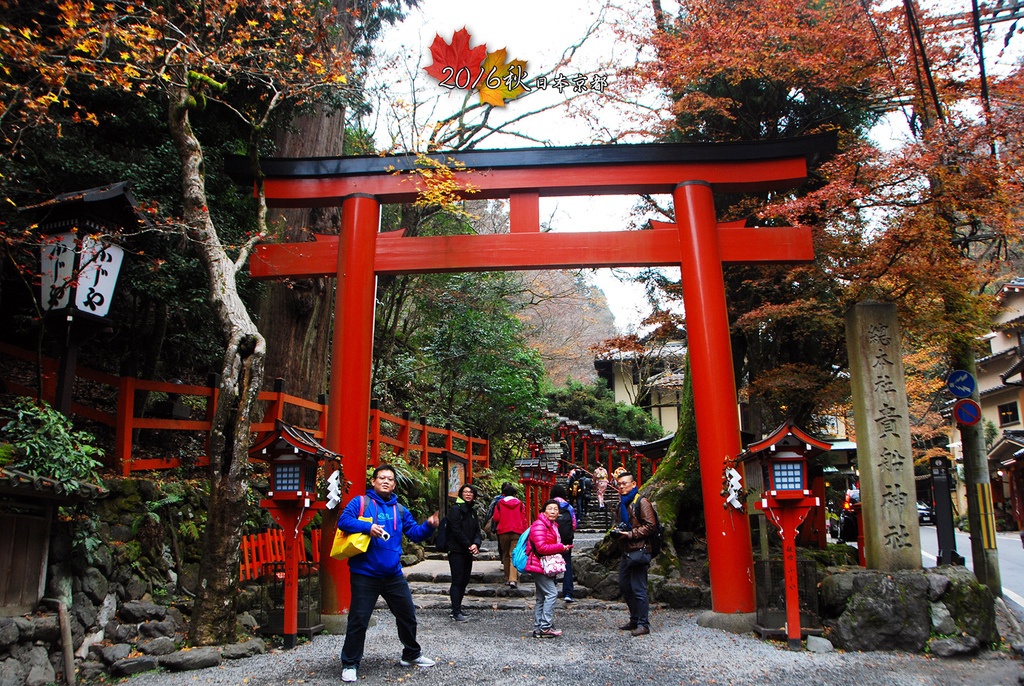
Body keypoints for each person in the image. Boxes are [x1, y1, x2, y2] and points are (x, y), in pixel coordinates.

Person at [337, 465, 439, 682]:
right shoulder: (361, 503)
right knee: (359, 620)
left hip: (393, 574)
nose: (386, 481)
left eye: (390, 479)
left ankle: (411, 654)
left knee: (407, 615)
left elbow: (414, 533)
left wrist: (429, 526)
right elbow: (343, 521)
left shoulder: (400, 510)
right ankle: (350, 663)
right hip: (365, 573)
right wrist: (367, 527)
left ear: (394, 484)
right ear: (373, 481)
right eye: (381, 477)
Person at [611, 471, 656, 637]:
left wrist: (631, 534)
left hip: (639, 549)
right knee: (624, 586)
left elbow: (651, 526)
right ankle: (635, 618)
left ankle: (643, 623)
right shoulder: (621, 504)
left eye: (625, 483)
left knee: (638, 588)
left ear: (634, 484)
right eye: (619, 484)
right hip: (626, 551)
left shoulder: (641, 502)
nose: (621, 487)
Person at [526, 499, 572, 638]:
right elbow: (541, 547)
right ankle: (545, 627)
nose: (553, 511)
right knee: (551, 594)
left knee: (541, 597)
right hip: (539, 564)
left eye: (556, 509)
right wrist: (560, 548)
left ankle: (539, 627)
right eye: (550, 508)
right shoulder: (540, 525)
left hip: (543, 564)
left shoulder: (552, 525)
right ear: (544, 511)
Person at [446, 483, 481, 621]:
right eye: (465, 492)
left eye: (471, 492)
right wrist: (469, 544)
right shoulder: (455, 509)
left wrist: (476, 544)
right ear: (461, 494)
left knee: (465, 579)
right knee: (457, 579)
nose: (468, 494)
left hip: (468, 550)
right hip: (456, 549)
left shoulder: (472, 511)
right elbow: (456, 530)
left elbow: (477, 530)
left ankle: (458, 607)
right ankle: (455, 611)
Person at [492, 482, 528, 588]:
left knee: (505, 555)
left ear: (503, 493)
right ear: (514, 494)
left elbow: (496, 518)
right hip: (517, 531)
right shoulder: (520, 504)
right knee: (514, 554)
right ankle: (513, 579)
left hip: (503, 531)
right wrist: (525, 532)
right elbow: (523, 519)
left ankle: (507, 577)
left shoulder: (499, 503)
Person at [549, 484, 577, 602]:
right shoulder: (568, 506)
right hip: (566, 539)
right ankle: (568, 592)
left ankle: (550, 588)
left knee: (550, 560)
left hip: (552, 538)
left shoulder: (549, 505)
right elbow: (574, 524)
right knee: (567, 564)